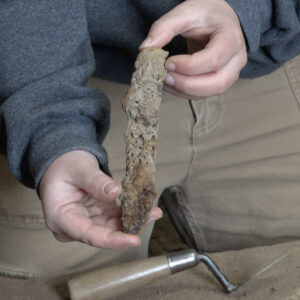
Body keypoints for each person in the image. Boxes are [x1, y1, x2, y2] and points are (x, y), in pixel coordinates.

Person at [0, 0, 300, 278]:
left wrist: (248, 10)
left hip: (267, 45)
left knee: (282, 270)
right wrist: (52, 128)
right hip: (62, 72)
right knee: (58, 281)